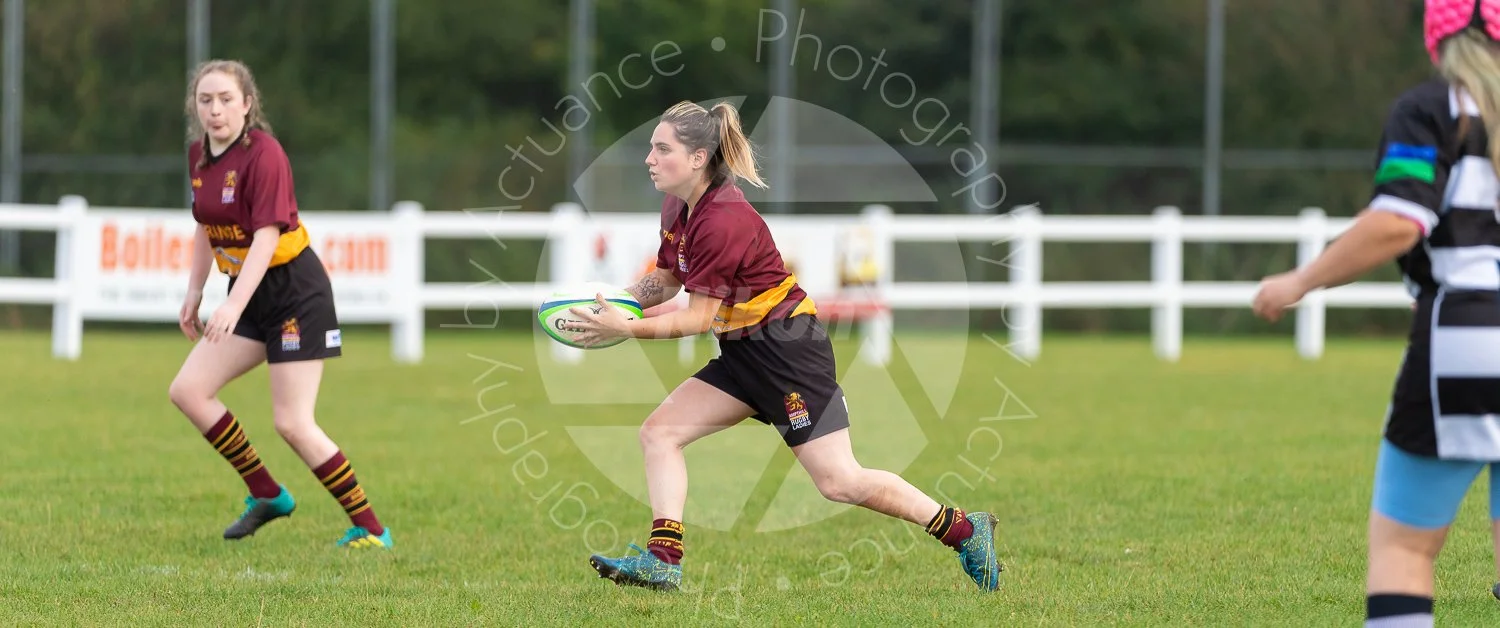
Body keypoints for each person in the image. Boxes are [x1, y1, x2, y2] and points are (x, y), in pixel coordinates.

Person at [564, 100, 1002, 592]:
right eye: (650, 147)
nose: (649, 158)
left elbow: (697, 318)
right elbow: (666, 279)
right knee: (659, 434)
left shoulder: (723, 219)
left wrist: (626, 330)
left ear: (698, 158)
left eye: (662, 148)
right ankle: (664, 561)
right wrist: (621, 304)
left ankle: (966, 530)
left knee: (840, 482)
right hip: (743, 351)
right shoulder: (678, 207)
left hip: (788, 350)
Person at [1253, 2, 1500, 624]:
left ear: (1434, 39)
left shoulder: (1430, 110)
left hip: (1469, 336)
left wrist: (1302, 279)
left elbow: (1399, 222)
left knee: (1404, 550)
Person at [167, 59, 391, 550]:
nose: (215, 109)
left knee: (292, 422)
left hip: (295, 293)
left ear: (247, 105)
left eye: (226, 99)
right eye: (205, 100)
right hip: (247, 293)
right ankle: (267, 493)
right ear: (195, 108)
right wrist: (195, 292)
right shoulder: (199, 158)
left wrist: (231, 306)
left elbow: (267, 238)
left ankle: (372, 530)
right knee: (188, 391)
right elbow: (206, 227)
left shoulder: (265, 155)